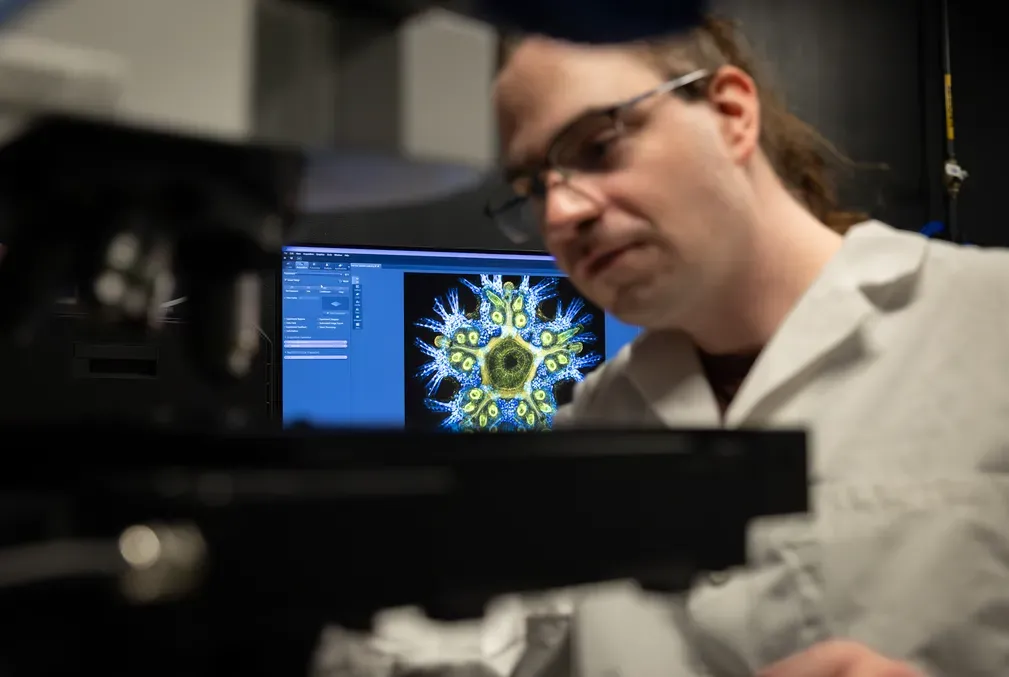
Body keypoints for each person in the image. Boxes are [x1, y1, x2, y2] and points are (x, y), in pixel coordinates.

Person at [488, 15, 1009, 677]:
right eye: (532, 188)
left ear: (730, 114)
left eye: (596, 146)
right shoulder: (598, 417)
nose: (560, 214)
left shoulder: (991, 320)